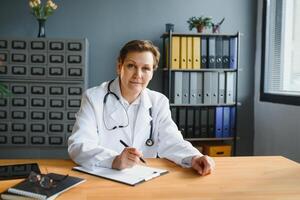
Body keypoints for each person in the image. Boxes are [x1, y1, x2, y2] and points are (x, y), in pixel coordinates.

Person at [68, 40, 215, 176]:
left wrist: (194, 157)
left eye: (145, 68)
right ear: (120, 67)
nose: (138, 75)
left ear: (152, 73)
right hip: (102, 176)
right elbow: (79, 144)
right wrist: (114, 160)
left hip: (142, 178)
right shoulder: (94, 98)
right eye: (131, 66)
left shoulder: (158, 101)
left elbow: (172, 141)